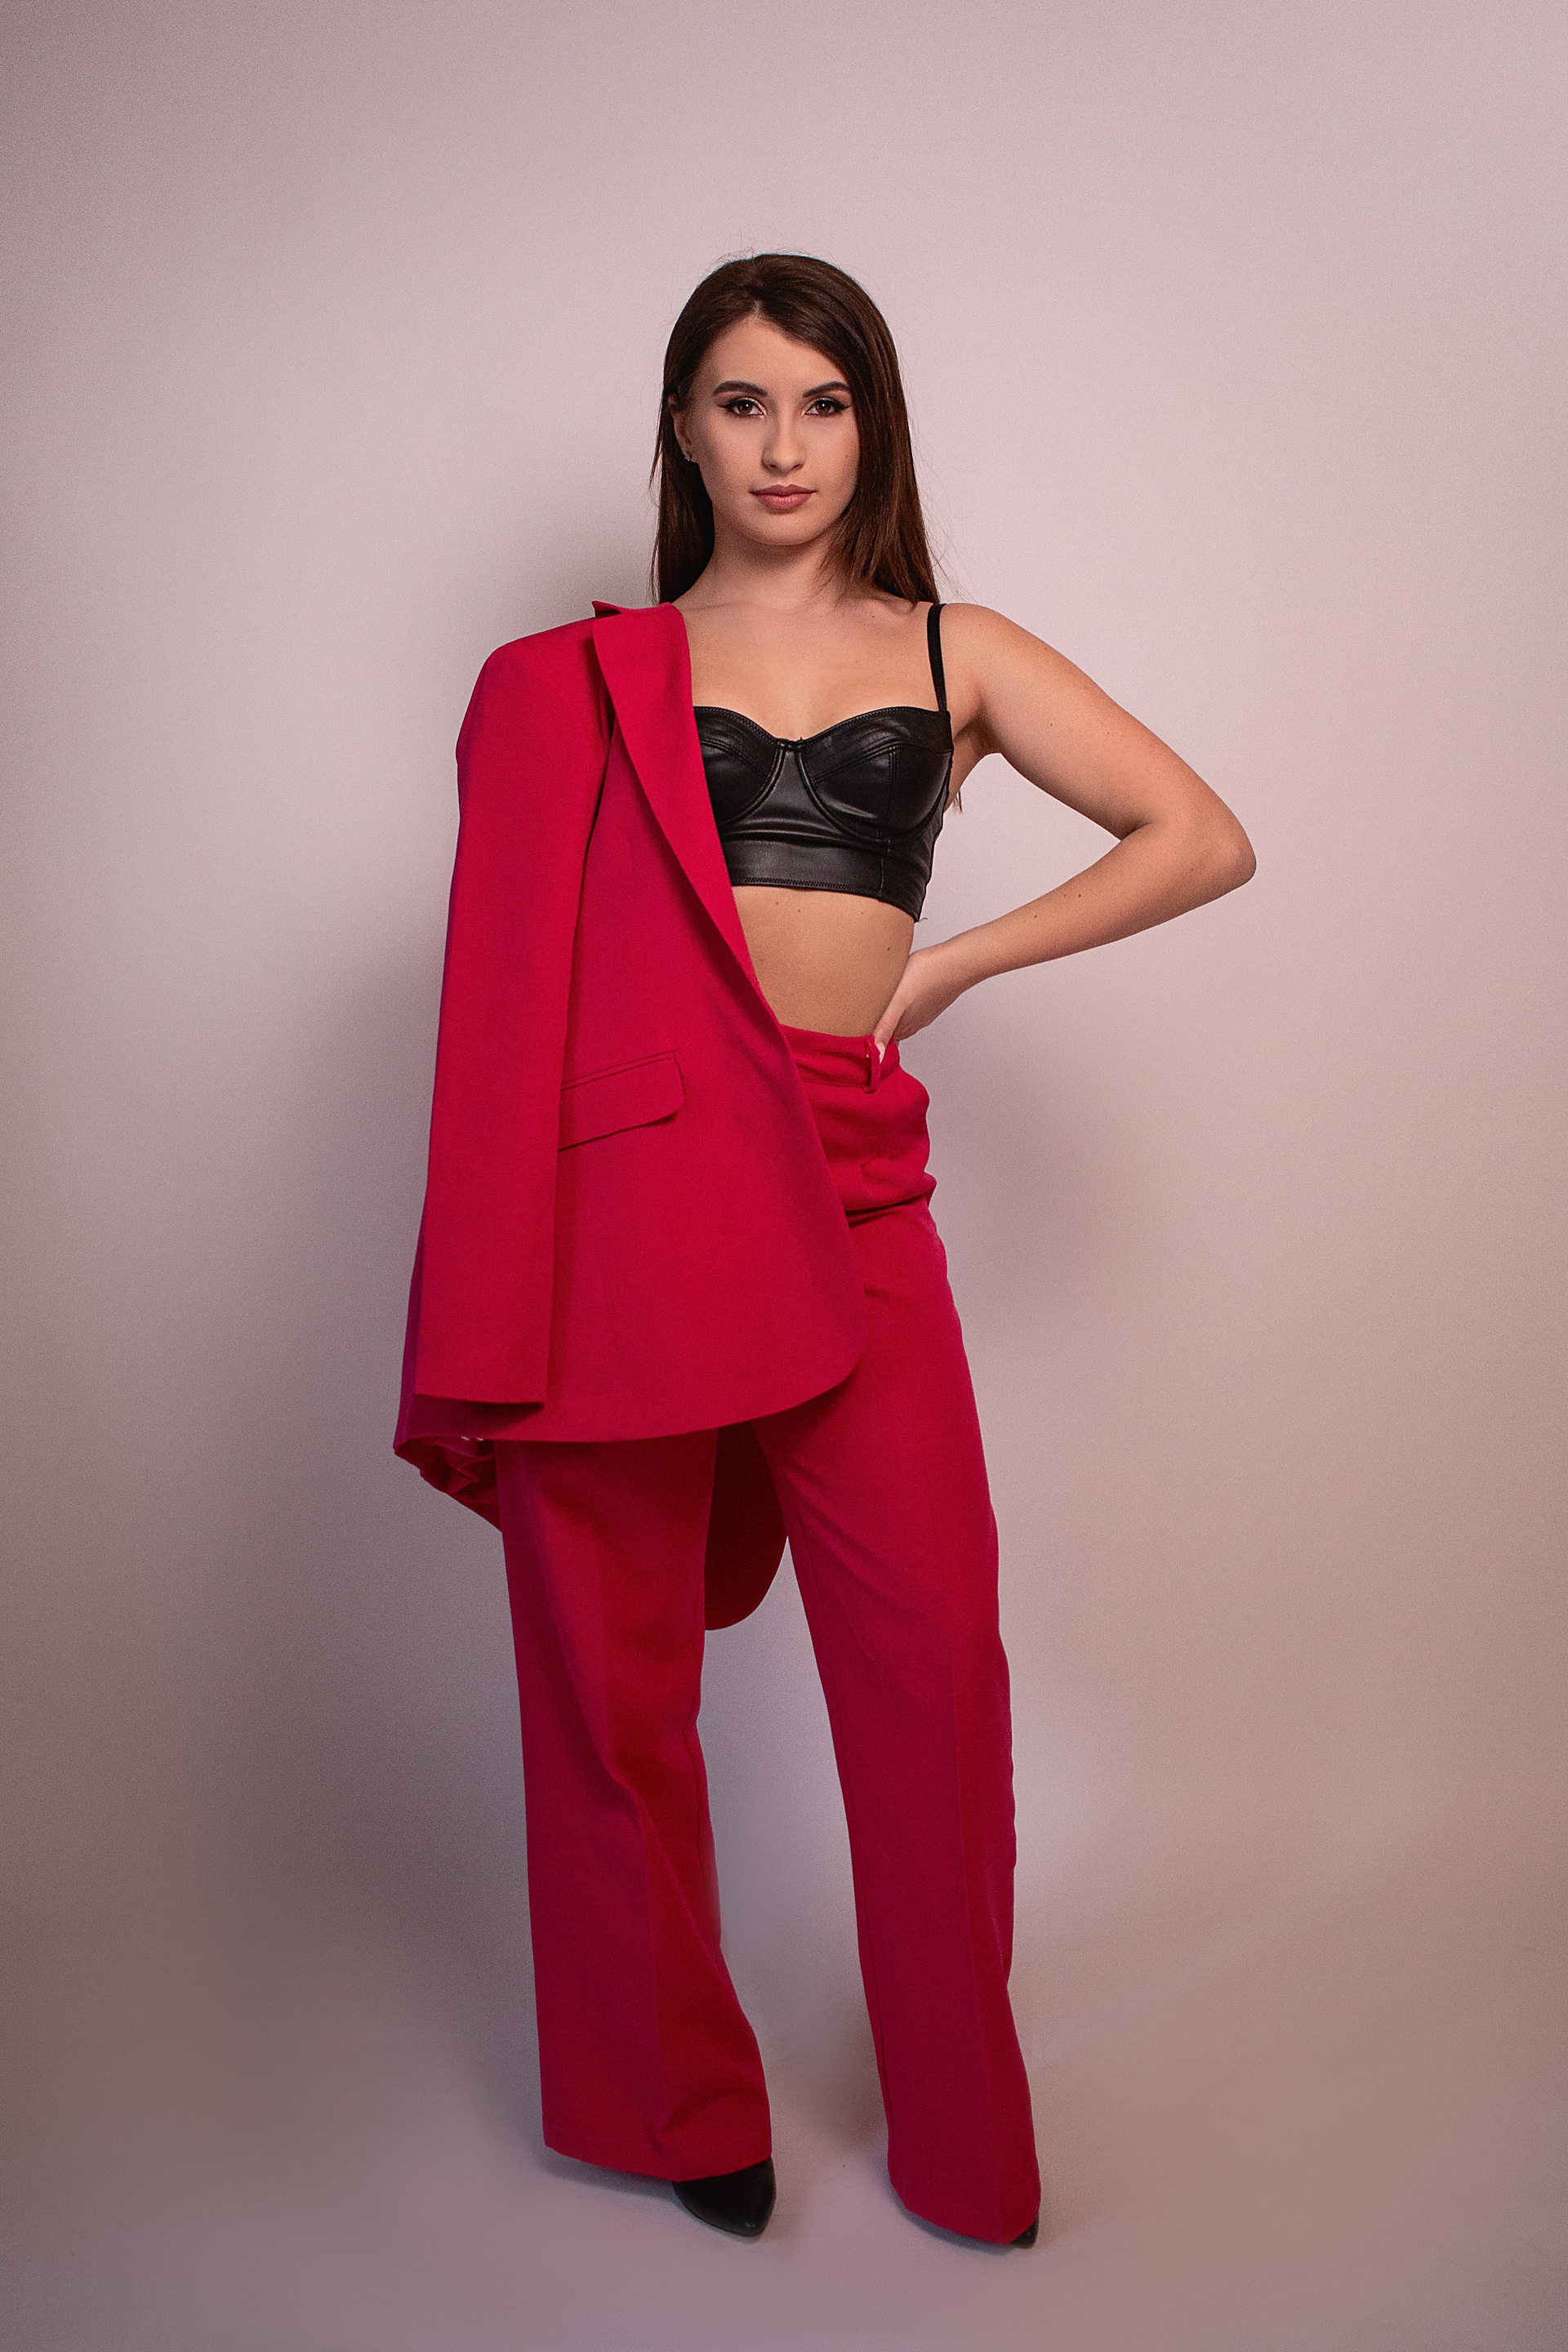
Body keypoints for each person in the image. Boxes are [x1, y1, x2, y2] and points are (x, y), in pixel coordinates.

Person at [394, 252, 1254, 2250]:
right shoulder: (570, 680)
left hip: (852, 1177)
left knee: (933, 1663)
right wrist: (484, 1312)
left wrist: (949, 968)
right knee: (608, 1683)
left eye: (823, 401)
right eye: (741, 401)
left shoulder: (958, 648)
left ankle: (961, 2127)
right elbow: (500, 1011)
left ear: (873, 425)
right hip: (624, 1199)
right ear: (683, 432)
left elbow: (1198, 836)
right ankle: (671, 2103)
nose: (783, 444)